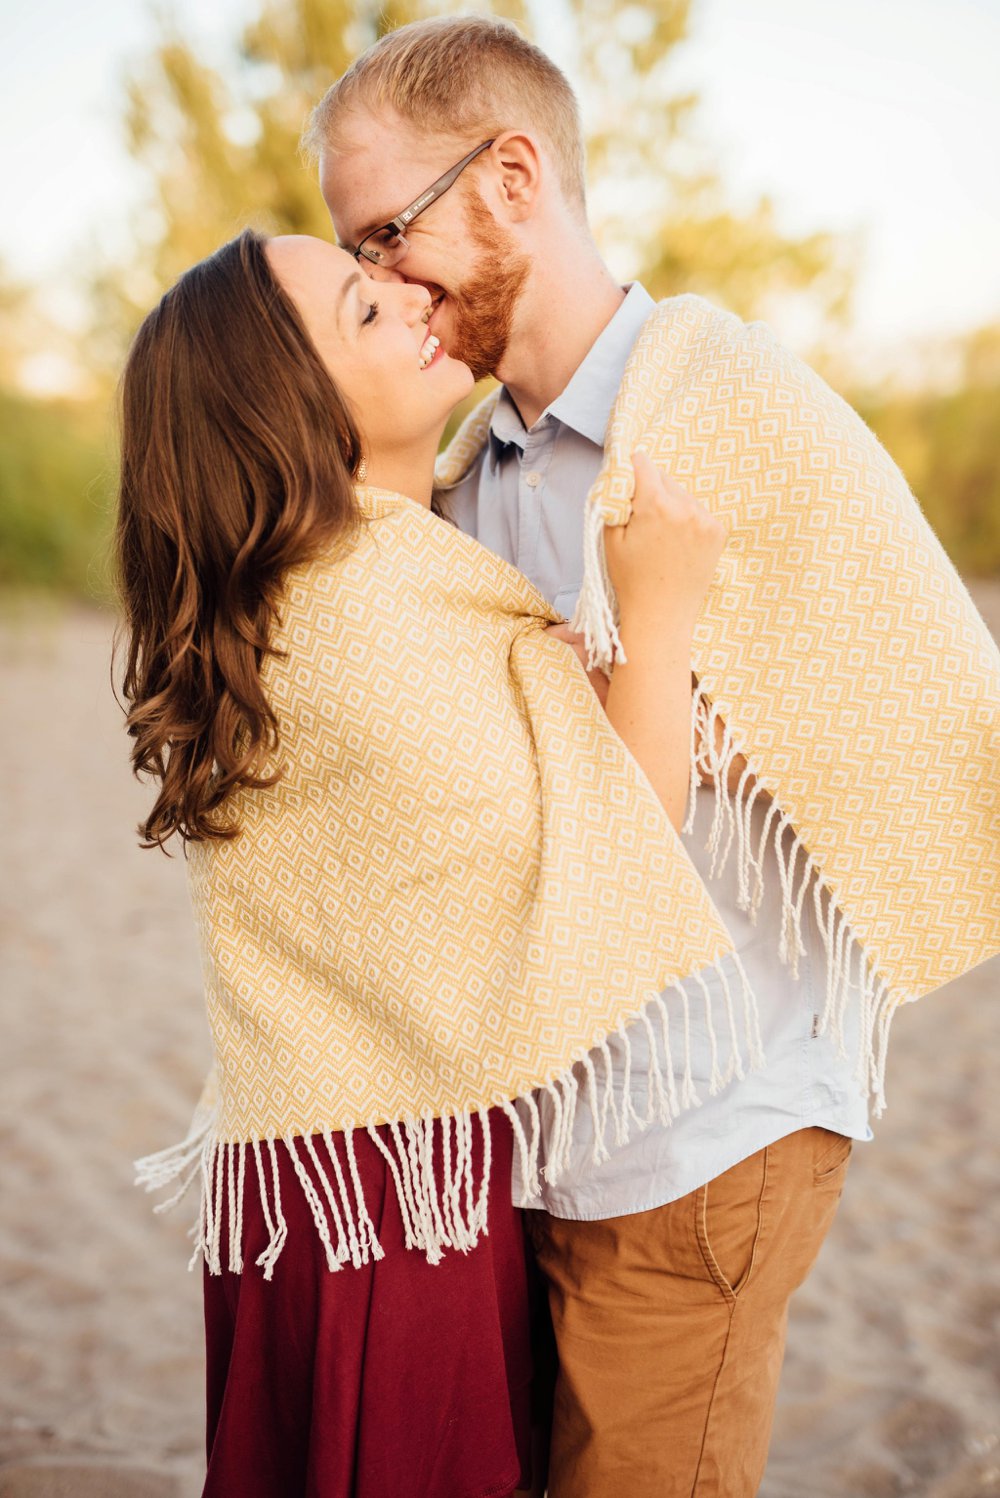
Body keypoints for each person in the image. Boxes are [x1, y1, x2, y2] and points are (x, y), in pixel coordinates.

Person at [307, 17, 871, 1496]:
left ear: (510, 177)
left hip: (703, 1130)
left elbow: (867, 723)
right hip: (546, 1149)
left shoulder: (723, 409)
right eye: (351, 256)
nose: (375, 283)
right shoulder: (470, 473)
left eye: (386, 232)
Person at [117, 226, 732, 1498]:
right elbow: (622, 824)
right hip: (387, 1212)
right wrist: (658, 614)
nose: (408, 294)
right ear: (295, 411)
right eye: (362, 307)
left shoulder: (321, 589)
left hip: (322, 1169)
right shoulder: (372, 608)